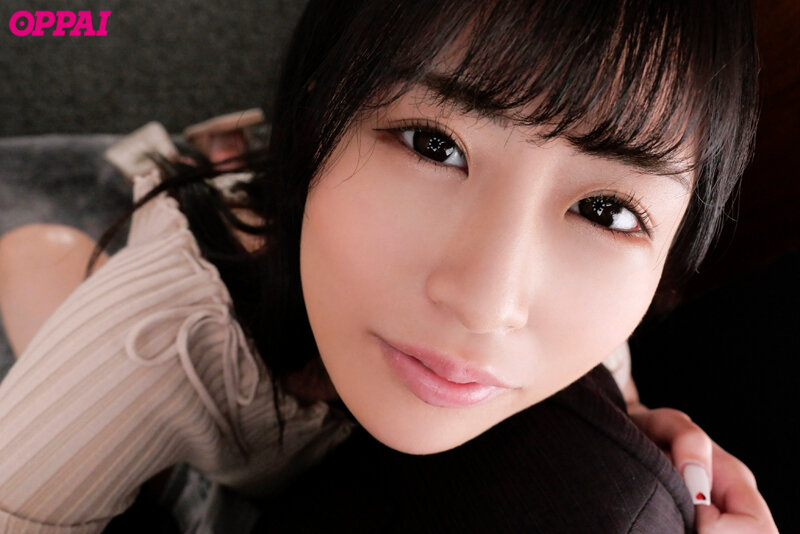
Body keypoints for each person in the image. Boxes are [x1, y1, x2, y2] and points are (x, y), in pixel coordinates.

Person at [0, 0, 777, 532]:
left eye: (605, 212)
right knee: (32, 257)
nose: (486, 302)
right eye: (434, 146)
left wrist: (629, 419)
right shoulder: (155, 337)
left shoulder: (587, 328)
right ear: (318, 120)